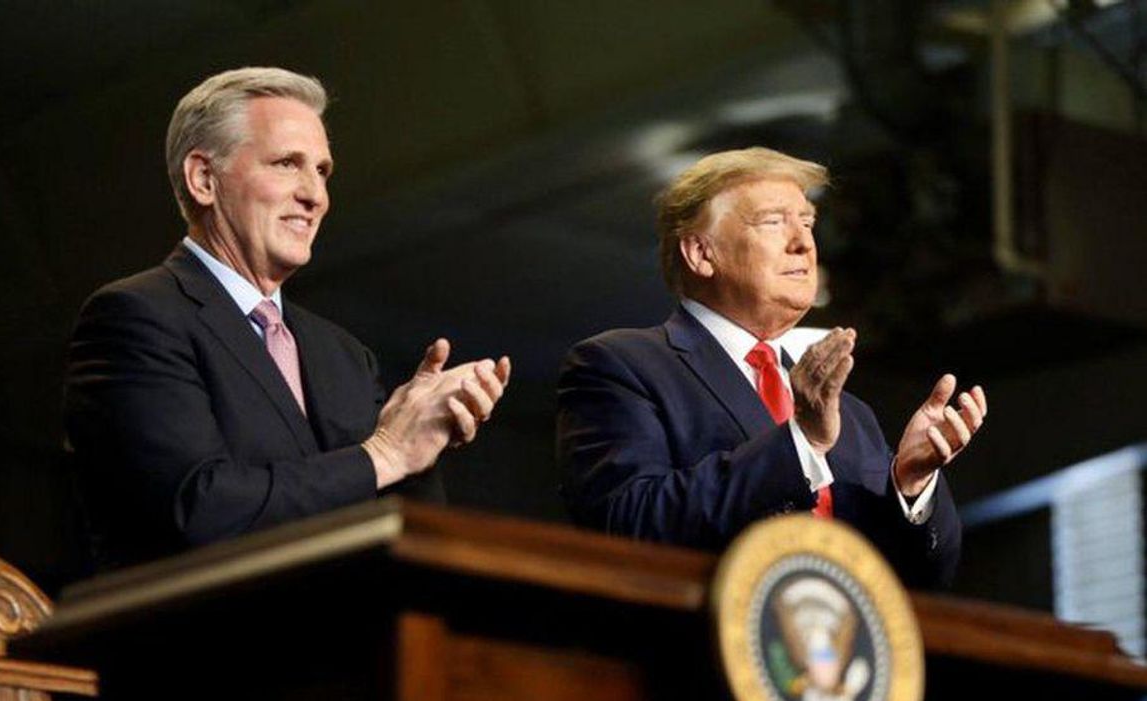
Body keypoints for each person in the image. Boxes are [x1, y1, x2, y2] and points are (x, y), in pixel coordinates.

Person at [64, 67, 510, 569]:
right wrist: (383, 453)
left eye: (322, 171)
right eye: (287, 164)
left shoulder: (342, 354)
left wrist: (421, 437)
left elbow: (404, 536)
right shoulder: (136, 317)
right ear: (204, 179)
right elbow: (200, 508)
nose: (315, 196)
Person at [556, 147, 986, 588]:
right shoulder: (622, 366)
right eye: (773, 221)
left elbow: (922, 585)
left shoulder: (850, 415)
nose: (803, 242)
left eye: (807, 222)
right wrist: (801, 443)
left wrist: (910, 483)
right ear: (701, 254)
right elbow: (629, 524)